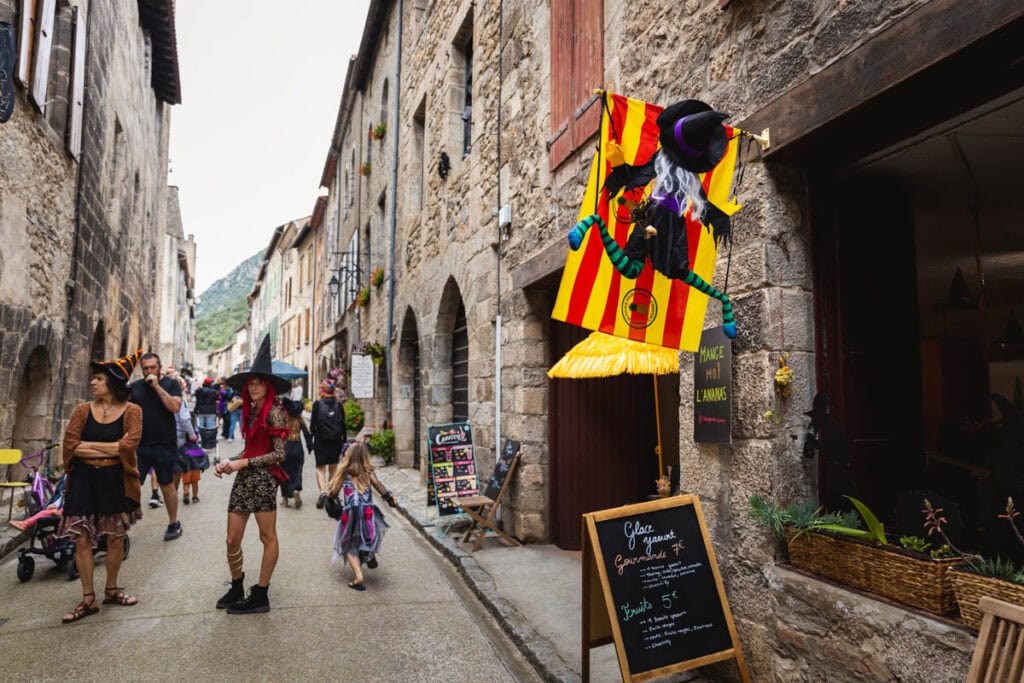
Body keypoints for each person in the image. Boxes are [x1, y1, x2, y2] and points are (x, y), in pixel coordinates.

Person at [58, 351, 143, 623]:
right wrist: (110, 449)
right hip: (84, 481)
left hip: (115, 481)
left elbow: (129, 446)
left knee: (115, 539)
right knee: (82, 539)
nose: (93, 383)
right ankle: (88, 598)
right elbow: (70, 445)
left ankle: (111, 589)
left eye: (98, 378)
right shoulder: (82, 410)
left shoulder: (132, 411)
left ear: (113, 383)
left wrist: (90, 447)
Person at [214, 335, 290, 615]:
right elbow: (249, 449)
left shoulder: (276, 413)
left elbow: (280, 454)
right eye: (251, 383)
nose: (254, 386)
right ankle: (237, 585)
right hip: (245, 480)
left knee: (267, 537)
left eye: (259, 382)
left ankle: (261, 593)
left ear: (267, 386)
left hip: (264, 481)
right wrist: (228, 462)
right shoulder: (251, 412)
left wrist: (243, 463)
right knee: (232, 538)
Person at [130, 352, 184, 541]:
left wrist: (157, 387)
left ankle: (173, 523)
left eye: (153, 367)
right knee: (131, 484)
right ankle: (120, 527)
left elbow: (174, 407)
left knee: (166, 484)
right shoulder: (134, 388)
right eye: (145, 368)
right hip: (140, 445)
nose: (149, 371)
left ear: (159, 367)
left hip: (164, 443)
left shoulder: (171, 384)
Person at [327, 443, 395, 591]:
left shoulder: (344, 471)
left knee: (347, 543)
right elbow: (378, 485)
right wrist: (390, 499)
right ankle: (368, 553)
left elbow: (333, 493)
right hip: (368, 511)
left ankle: (359, 576)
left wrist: (329, 496)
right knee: (369, 535)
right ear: (365, 457)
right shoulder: (368, 470)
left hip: (351, 512)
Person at [310, 379, 346, 508]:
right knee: (333, 467)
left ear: (323, 390)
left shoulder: (317, 404)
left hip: (321, 440)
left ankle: (323, 493)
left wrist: (312, 438)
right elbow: (343, 425)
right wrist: (344, 441)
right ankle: (331, 492)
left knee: (320, 468)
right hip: (336, 440)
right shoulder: (339, 405)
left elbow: (312, 426)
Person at [281, 398, 312, 509]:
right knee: (297, 472)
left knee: (283, 473)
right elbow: (307, 435)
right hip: (298, 450)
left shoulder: (283, 420)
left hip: (285, 449)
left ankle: (285, 499)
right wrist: (310, 447)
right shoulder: (300, 421)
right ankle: (295, 489)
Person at [174, 397, 202, 505]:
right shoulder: (194, 437)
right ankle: (194, 497)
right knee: (195, 482)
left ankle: (185, 492)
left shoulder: (182, 447)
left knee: (185, 482)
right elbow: (200, 452)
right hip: (195, 465)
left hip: (185, 465)